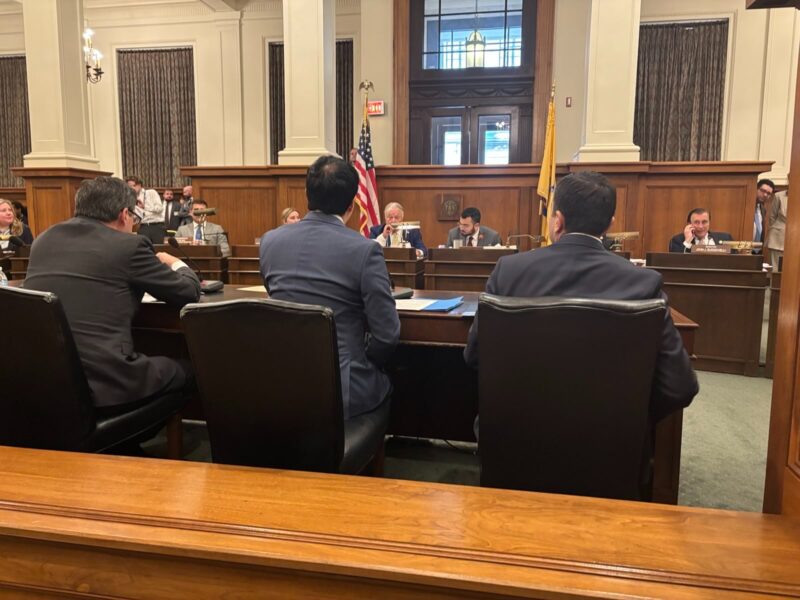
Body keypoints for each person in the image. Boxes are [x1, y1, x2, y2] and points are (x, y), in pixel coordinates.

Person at [465, 171, 698, 424]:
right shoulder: (644, 283)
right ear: (610, 224)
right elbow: (680, 386)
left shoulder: (508, 271)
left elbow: (474, 355)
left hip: (514, 435)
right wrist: (628, 417)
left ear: (557, 221)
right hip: (610, 440)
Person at [24, 176, 201, 414]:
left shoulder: (43, 240)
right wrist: (175, 263)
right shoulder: (129, 246)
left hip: (43, 382)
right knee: (192, 370)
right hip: (108, 386)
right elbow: (188, 292)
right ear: (124, 214)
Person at [259, 155, 400, 419]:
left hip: (281, 385)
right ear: (351, 205)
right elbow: (387, 335)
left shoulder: (270, 241)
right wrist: (363, 359)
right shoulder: (365, 250)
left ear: (307, 195)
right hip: (343, 389)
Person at [668, 208, 733, 253]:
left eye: (704, 222)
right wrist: (687, 242)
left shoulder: (726, 238)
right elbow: (675, 262)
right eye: (696, 222)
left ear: (709, 222)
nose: (700, 226)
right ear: (689, 224)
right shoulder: (677, 240)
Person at [126, 175, 165, 244]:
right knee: (143, 248)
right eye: (129, 186)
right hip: (143, 227)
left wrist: (145, 207)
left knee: (158, 248)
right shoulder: (131, 198)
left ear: (139, 185)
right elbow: (136, 218)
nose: (131, 188)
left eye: (133, 185)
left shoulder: (151, 192)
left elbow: (160, 209)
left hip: (156, 226)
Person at [767, 182, 788, 268]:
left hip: (795, 240)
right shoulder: (778, 195)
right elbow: (772, 217)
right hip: (778, 238)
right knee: (775, 269)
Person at [754, 178, 774, 250]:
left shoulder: (763, 209)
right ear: (756, 189)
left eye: (768, 193)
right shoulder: (746, 206)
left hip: (757, 249)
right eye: (763, 191)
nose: (765, 195)